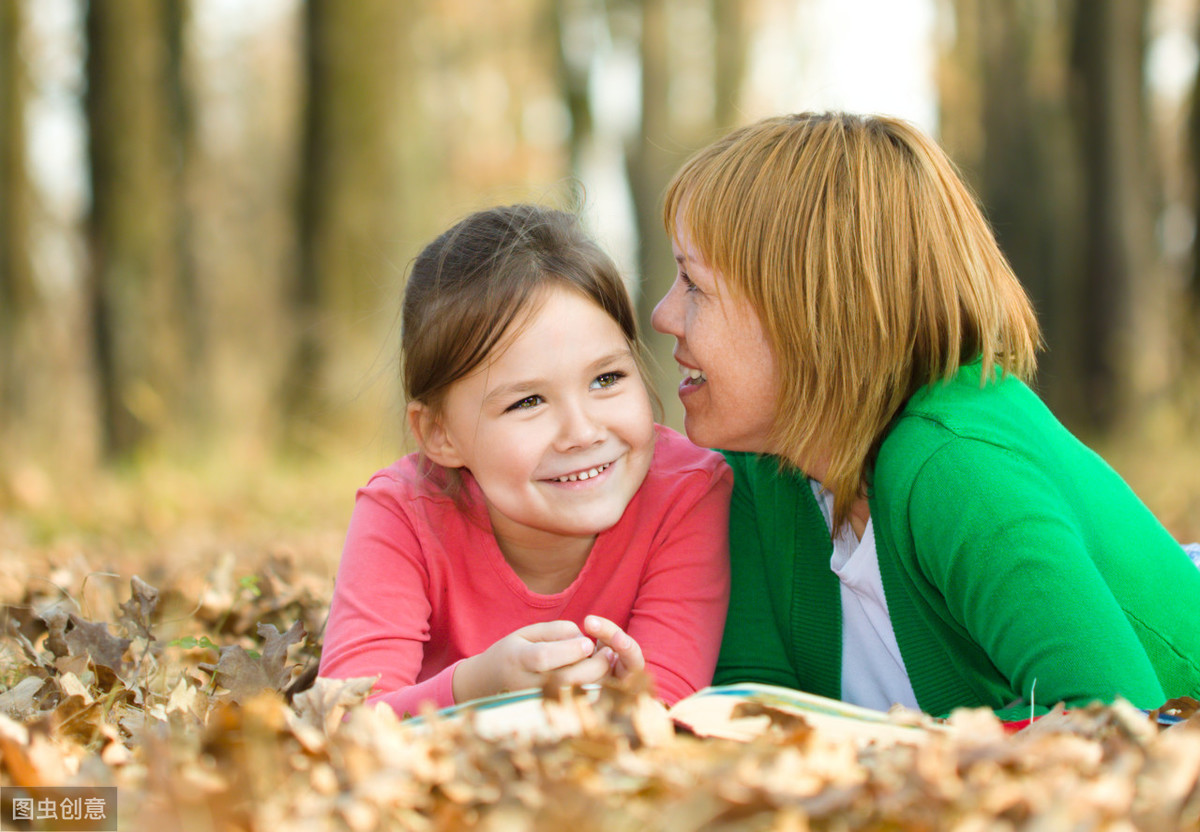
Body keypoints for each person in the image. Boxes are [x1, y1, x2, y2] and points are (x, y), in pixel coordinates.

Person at [651, 111, 1200, 719]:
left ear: (808, 310)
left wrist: (897, 757)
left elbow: (1120, 728)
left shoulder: (957, 466)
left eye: (692, 284)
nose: (662, 314)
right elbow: (746, 723)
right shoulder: (755, 472)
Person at [319, 204, 732, 716]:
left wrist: (637, 699)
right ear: (439, 433)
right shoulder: (404, 512)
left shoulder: (687, 492)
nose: (582, 432)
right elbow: (343, 716)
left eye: (607, 379)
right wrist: (476, 687)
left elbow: (669, 705)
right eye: (527, 402)